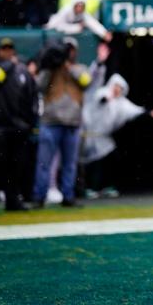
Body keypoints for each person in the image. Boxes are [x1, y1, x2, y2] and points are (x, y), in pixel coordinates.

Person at [0, 38, 38, 212]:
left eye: (10, 49)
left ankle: (13, 200)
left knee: (16, 167)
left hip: (18, 128)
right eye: (4, 49)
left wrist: (30, 123)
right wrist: (7, 65)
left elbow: (32, 96)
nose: (8, 52)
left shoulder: (23, 71)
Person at [33, 37, 91, 208]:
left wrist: (69, 67)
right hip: (51, 121)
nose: (68, 53)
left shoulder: (80, 69)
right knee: (44, 162)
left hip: (72, 122)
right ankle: (39, 197)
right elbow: (39, 86)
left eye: (71, 50)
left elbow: (87, 82)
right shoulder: (49, 70)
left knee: (69, 163)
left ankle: (68, 195)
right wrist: (49, 68)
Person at [81, 73, 153, 199]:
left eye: (120, 87)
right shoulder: (103, 92)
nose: (117, 89)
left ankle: (106, 187)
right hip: (89, 136)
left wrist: (149, 113)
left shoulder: (121, 103)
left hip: (104, 138)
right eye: (116, 86)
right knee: (92, 163)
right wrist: (106, 98)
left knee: (111, 158)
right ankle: (90, 188)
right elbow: (100, 98)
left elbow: (134, 110)